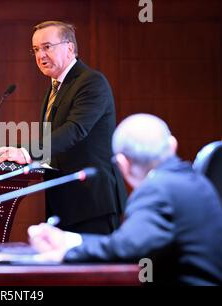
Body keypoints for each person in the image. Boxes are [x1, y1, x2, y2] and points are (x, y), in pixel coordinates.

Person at [28, 114, 222, 285]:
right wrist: (69, 239)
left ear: (123, 164)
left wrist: (65, 253)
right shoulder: (198, 182)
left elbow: (127, 249)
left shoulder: (156, 190)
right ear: (172, 146)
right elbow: (132, 243)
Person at [0, 20, 127, 234]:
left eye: (47, 47)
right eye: (36, 49)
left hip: (93, 204)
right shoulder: (55, 87)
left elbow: (74, 130)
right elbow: (53, 140)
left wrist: (26, 152)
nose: (40, 55)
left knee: (93, 269)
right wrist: (6, 150)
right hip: (63, 203)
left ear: (69, 48)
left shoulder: (91, 82)